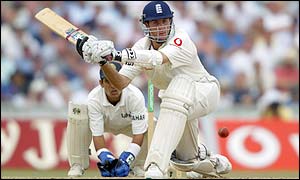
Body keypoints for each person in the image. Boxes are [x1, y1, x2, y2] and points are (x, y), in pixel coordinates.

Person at [75, 1, 232, 178]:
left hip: (203, 91)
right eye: (156, 23)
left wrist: (116, 55)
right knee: (185, 161)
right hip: (179, 105)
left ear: (171, 21)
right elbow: (120, 83)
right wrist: (103, 62)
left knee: (176, 88)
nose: (161, 27)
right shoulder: (141, 46)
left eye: (165, 21)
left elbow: (157, 58)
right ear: (146, 24)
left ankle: (155, 167)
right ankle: (214, 164)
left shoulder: (181, 39)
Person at [67, 61, 148, 177]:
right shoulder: (94, 98)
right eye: (108, 81)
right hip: (106, 124)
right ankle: (77, 165)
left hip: (128, 125)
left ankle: (138, 166)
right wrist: (106, 159)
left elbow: (139, 134)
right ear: (101, 83)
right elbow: (97, 135)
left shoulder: (135, 96)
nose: (113, 86)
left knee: (152, 123)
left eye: (116, 81)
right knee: (78, 115)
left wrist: (127, 158)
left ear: (124, 81)